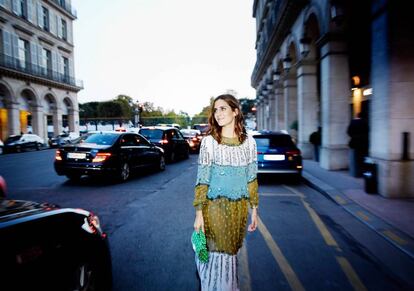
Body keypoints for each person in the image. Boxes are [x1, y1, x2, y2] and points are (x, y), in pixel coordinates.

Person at [193, 94, 259, 291]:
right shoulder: (209, 143)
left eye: (222, 108)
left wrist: (254, 208)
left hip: (238, 210)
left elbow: (252, 178)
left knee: (230, 253)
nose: (218, 113)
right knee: (217, 253)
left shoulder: (249, 143)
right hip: (214, 209)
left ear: (235, 111)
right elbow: (202, 180)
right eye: (215, 110)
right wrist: (199, 213)